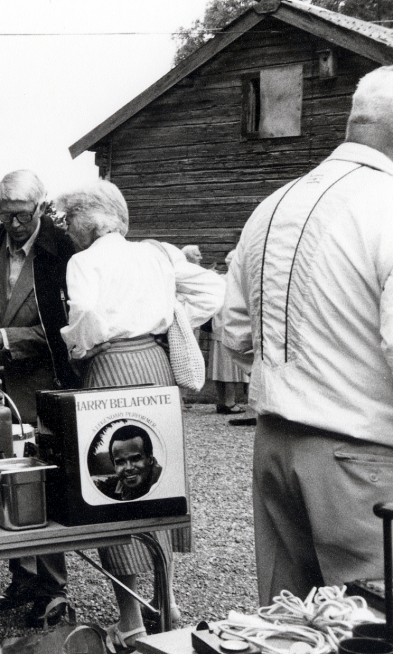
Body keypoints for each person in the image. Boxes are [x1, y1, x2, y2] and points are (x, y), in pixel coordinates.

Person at [221, 66, 393, 605]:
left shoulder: (272, 204)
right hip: (361, 453)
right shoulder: (387, 205)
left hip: (275, 445)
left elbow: (234, 332)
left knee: (289, 624)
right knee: (372, 625)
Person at [55, 179, 223, 651]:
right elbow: (213, 289)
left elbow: (85, 315)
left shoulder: (83, 261)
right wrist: (173, 317)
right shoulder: (158, 253)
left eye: (69, 220)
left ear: (88, 219)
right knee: (160, 482)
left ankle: (130, 621)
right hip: (155, 366)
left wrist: (84, 344)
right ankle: (166, 605)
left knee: (115, 487)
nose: (67, 230)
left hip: (110, 368)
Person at [0, 169, 79, 628]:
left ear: (41, 208)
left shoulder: (61, 250)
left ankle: (54, 590)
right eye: (5, 215)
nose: (13, 225)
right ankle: (21, 576)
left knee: (39, 484)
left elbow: (66, 329)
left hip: (43, 383)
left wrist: (3, 338)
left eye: (21, 215)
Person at [208, 250, 249, 415]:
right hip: (231, 327)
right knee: (229, 368)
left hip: (218, 326)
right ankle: (230, 403)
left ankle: (221, 401)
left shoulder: (219, 280)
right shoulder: (237, 281)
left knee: (219, 367)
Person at [94, 424, 163, 501]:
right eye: (120, 462)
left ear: (150, 459)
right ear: (114, 465)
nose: (129, 468)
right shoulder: (109, 491)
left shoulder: (166, 483)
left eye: (135, 459)